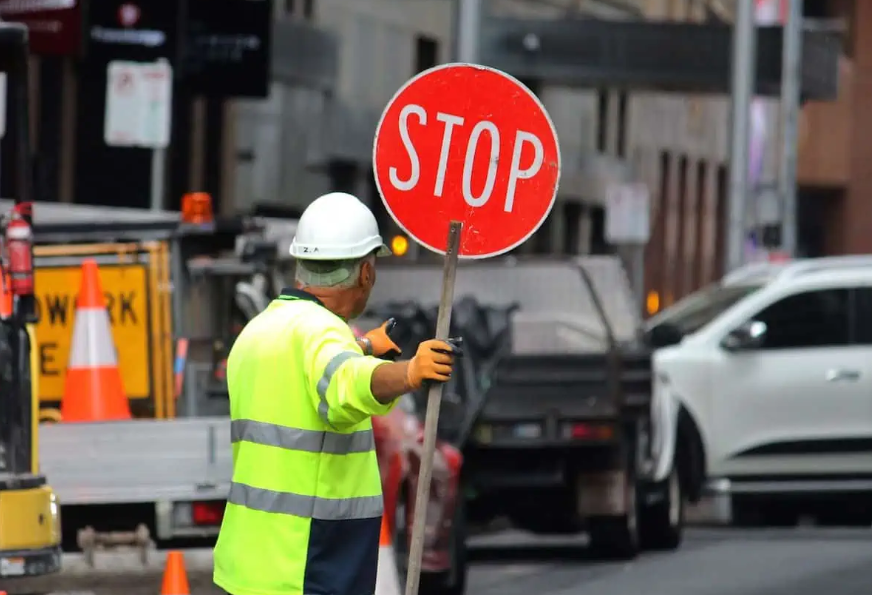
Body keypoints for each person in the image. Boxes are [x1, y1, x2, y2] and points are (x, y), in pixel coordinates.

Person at [213, 192, 457, 595]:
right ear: (365, 272)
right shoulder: (324, 333)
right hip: (307, 567)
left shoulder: (258, 331)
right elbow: (346, 387)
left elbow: (305, 380)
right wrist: (410, 372)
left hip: (247, 568)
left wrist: (362, 349)